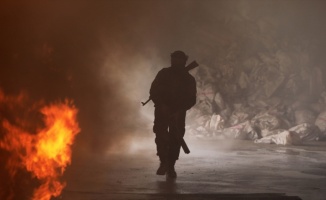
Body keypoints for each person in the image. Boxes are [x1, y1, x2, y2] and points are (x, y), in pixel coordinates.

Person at [149, 50, 197, 179]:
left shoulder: (188, 79)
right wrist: (161, 105)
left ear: (184, 61)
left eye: (178, 60)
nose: (175, 62)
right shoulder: (163, 74)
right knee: (161, 136)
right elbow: (153, 91)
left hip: (178, 113)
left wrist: (179, 111)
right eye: (174, 59)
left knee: (176, 139)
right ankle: (163, 161)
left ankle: (171, 166)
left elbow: (191, 99)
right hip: (162, 111)